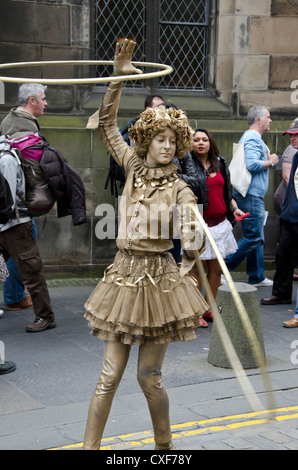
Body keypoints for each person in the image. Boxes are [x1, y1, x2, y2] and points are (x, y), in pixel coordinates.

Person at [83, 40, 209, 451]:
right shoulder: (132, 168)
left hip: (160, 280)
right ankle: (89, 449)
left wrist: (192, 237)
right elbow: (106, 123)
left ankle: (164, 448)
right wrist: (119, 74)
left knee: (148, 378)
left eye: (174, 141)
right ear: (146, 142)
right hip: (123, 275)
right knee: (108, 376)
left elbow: (191, 237)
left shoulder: (180, 187)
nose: (168, 146)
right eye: (160, 139)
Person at [0, 87, 56, 333]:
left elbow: (8, 194)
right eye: (44, 99)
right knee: (28, 267)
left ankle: (45, 316)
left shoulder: (7, 154)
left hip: (14, 221)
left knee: (30, 268)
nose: (47, 103)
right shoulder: (7, 154)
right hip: (11, 220)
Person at [188, 128, 244, 326]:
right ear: (190, 144)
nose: (200, 143)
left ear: (210, 142)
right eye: (196, 140)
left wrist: (234, 208)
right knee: (197, 270)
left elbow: (227, 191)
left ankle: (209, 307)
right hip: (197, 224)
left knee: (216, 270)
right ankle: (195, 312)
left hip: (220, 224)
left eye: (204, 139)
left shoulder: (221, 163)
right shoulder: (186, 165)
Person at [224, 106, 279, 286]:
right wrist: (272, 161)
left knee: (256, 234)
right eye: (268, 117)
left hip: (250, 195)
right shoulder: (253, 137)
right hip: (251, 195)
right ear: (259, 119)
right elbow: (253, 165)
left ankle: (256, 275)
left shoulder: (251, 137)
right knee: (254, 236)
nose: (270, 120)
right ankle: (223, 268)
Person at [261, 119, 298, 316]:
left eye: (296, 134)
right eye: (291, 135)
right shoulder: (295, 155)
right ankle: (281, 293)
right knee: (283, 255)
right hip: (290, 216)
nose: (292, 138)